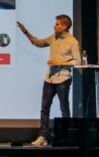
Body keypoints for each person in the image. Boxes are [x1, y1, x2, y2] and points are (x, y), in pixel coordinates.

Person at [16, 14, 81, 146]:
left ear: (64, 26)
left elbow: (77, 61)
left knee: (64, 108)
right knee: (44, 108)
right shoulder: (53, 38)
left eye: (57, 24)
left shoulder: (73, 42)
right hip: (49, 79)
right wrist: (25, 32)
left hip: (63, 79)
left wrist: (59, 62)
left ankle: (65, 137)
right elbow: (38, 43)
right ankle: (42, 137)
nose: (54, 26)